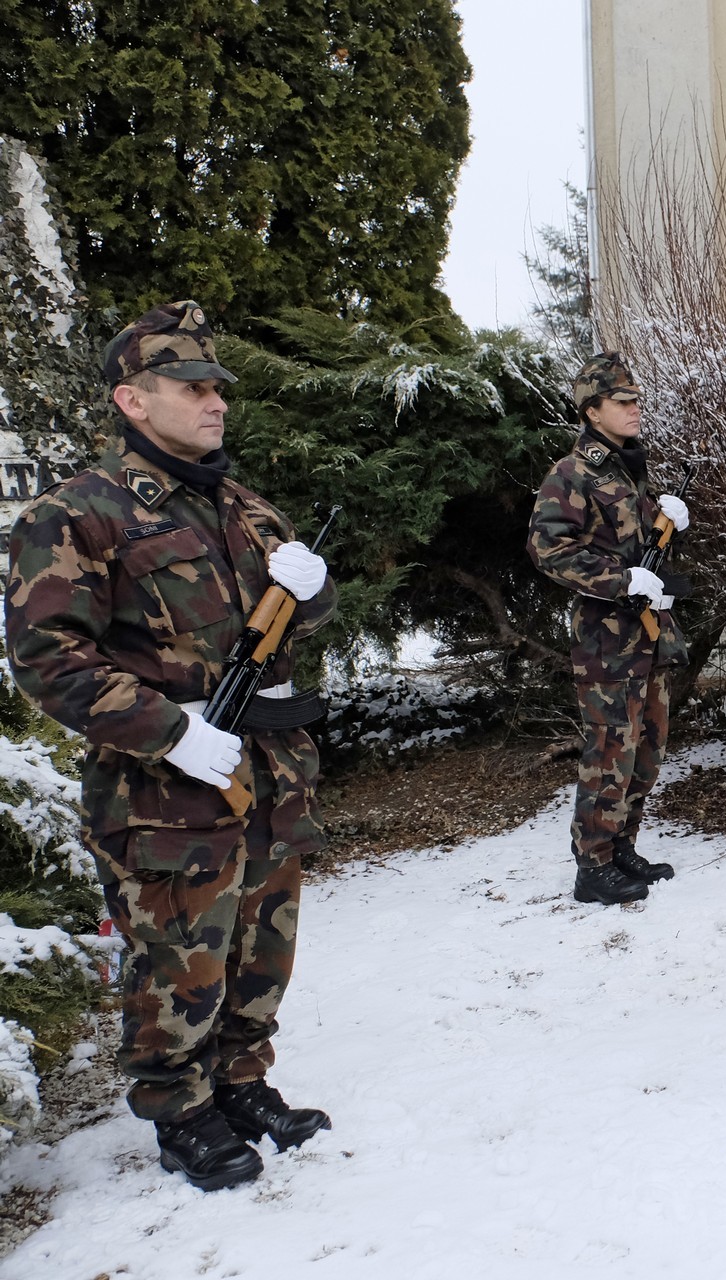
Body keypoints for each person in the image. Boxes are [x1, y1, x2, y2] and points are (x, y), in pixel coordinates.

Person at [5, 302, 336, 1191]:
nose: (214, 402)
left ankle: (241, 1083)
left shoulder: (245, 507)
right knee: (178, 959)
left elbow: (299, 619)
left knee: (262, 947)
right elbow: (47, 659)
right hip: (163, 790)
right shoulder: (77, 514)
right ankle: (180, 1110)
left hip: (267, 774)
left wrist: (314, 590)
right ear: (133, 400)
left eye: (215, 387)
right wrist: (172, 732)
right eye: (190, 388)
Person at [528, 353, 691, 906]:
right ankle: (592, 865)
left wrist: (669, 529)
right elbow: (549, 550)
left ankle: (621, 846)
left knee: (646, 751)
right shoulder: (571, 474)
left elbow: (638, 549)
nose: (635, 408)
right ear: (592, 411)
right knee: (609, 754)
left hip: (649, 637)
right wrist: (623, 580)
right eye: (622, 401)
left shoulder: (627, 470)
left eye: (637, 399)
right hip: (608, 644)